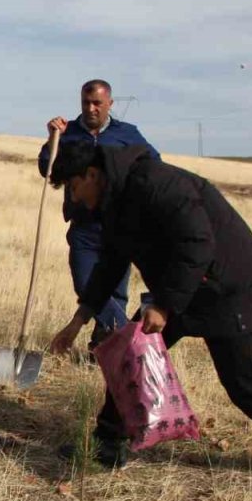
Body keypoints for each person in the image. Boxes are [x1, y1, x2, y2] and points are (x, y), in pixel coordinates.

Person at [46, 140, 252, 489]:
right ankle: (108, 443)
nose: (74, 197)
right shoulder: (114, 198)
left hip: (229, 288)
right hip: (181, 287)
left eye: (73, 186)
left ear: (91, 174)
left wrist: (164, 305)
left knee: (243, 383)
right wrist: (80, 318)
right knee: (128, 354)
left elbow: (198, 242)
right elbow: (111, 263)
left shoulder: (155, 183)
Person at [40, 80, 160, 351]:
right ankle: (134, 344)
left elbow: (153, 164)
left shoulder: (127, 133)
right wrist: (52, 139)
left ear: (110, 104)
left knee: (116, 292)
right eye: (86, 102)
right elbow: (47, 169)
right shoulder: (68, 132)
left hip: (120, 224)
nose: (91, 108)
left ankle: (104, 348)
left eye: (97, 103)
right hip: (83, 225)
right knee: (86, 285)